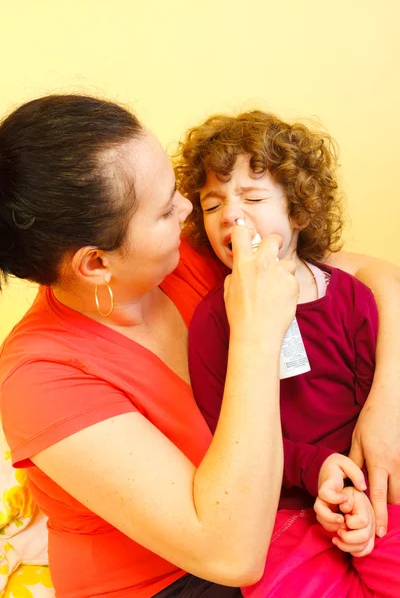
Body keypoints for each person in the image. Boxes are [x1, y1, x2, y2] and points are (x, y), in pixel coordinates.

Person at [0, 96, 398, 598]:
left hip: (290, 508)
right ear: (97, 264)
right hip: (179, 577)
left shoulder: (176, 255)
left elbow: (372, 276)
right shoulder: (40, 378)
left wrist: (387, 404)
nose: (191, 211)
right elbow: (231, 555)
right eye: (168, 209)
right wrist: (257, 333)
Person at [175, 110, 400, 596]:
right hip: (281, 507)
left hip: (367, 488)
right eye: (213, 206)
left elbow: (372, 416)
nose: (231, 216)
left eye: (253, 197)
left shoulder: (352, 299)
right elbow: (223, 433)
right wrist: (315, 470)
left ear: (298, 212)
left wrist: (352, 491)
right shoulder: (214, 322)